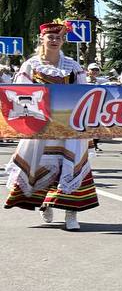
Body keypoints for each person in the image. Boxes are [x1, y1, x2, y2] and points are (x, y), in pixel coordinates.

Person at [3, 20, 99, 229]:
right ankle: (47, 204)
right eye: (51, 37)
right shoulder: (31, 65)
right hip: (42, 126)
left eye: (59, 37)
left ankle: (71, 214)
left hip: (69, 126)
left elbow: (84, 94)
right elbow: (20, 95)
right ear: (42, 39)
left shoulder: (73, 66)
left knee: (72, 165)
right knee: (40, 164)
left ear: (63, 40)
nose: (55, 40)